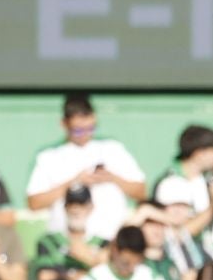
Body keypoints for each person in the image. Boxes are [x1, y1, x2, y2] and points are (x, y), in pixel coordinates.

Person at [25, 94, 146, 242]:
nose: (84, 135)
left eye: (90, 128)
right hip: (67, 243)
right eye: (77, 130)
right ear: (64, 124)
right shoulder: (49, 157)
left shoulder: (113, 149)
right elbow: (34, 202)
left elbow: (141, 192)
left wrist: (112, 178)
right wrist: (75, 183)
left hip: (111, 241)